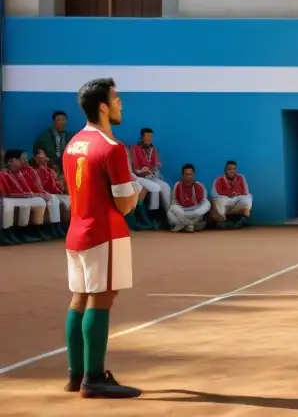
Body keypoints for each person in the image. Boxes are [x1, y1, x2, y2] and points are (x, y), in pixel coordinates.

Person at [62, 77, 142, 398]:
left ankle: (76, 374)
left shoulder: (72, 144)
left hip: (77, 231)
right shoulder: (112, 148)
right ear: (104, 108)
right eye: (117, 98)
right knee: (102, 298)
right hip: (105, 232)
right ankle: (94, 378)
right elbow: (123, 203)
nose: (121, 103)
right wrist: (135, 191)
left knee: (79, 298)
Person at [1, 149, 49, 244]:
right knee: (7, 203)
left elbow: (27, 190)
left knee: (38, 202)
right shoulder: (3, 174)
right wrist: (28, 195)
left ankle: (26, 231)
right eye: (20, 160)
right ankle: (5, 233)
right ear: (11, 162)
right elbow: (5, 194)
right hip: (7, 199)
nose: (23, 162)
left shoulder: (20, 174)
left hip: (18, 198)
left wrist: (33, 195)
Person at [130, 128, 172, 221]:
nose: (150, 138)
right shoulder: (134, 149)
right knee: (155, 189)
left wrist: (152, 169)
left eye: (151, 136)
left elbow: (157, 164)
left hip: (152, 176)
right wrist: (141, 170)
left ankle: (169, 215)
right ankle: (153, 216)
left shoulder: (153, 149)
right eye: (147, 136)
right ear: (142, 137)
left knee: (166, 187)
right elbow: (134, 168)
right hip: (140, 177)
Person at [167, 164, 211, 232]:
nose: (188, 176)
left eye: (190, 174)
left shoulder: (199, 185)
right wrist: (180, 212)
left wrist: (196, 212)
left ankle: (183, 224)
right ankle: (189, 224)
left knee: (207, 203)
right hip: (182, 212)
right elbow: (174, 202)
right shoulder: (177, 185)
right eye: (186, 174)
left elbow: (203, 202)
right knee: (170, 211)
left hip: (194, 211)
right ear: (182, 175)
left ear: (193, 175)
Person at [210, 161, 252, 228]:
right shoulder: (218, 180)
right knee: (219, 200)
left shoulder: (241, 178)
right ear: (225, 170)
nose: (232, 171)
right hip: (225, 201)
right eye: (229, 169)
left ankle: (244, 216)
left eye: (234, 169)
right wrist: (227, 195)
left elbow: (246, 192)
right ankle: (223, 220)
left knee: (248, 196)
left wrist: (236, 195)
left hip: (236, 201)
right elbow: (214, 195)